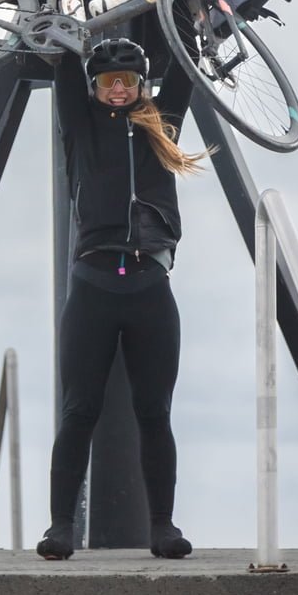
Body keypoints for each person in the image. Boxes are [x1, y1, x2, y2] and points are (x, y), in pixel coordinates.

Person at [37, 34, 207, 561]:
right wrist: (65, 33)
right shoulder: (81, 128)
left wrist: (187, 15)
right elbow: (66, 73)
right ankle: (60, 528)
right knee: (78, 410)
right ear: (95, 87)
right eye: (108, 82)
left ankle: (163, 526)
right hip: (93, 283)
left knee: (154, 412)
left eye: (127, 81)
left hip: (149, 285)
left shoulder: (162, 123)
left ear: (141, 85)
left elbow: (184, 63)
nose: (117, 89)